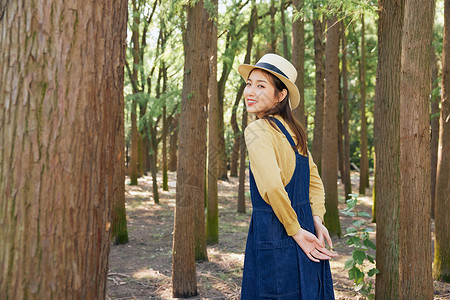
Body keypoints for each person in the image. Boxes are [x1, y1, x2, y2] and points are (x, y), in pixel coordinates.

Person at [238, 53, 337, 299]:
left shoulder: (258, 130)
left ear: (280, 96)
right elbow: (315, 181)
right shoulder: (295, 132)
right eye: (249, 84)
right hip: (304, 226)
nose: (251, 91)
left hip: (276, 230)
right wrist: (316, 219)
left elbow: (272, 187)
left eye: (261, 86)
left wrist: (295, 230)